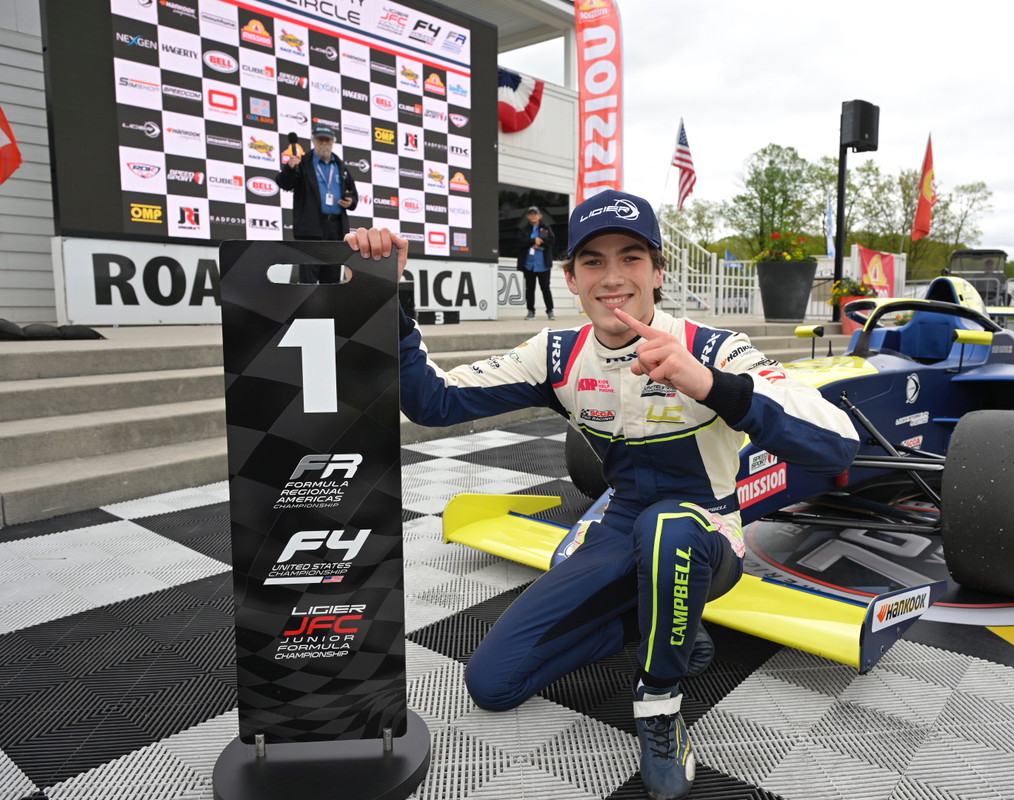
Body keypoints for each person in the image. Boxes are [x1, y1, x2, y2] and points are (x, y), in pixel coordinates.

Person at [345, 189, 859, 800]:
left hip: (707, 534)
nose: (613, 277)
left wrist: (709, 384)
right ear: (571, 279)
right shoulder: (556, 354)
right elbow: (433, 403)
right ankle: (660, 623)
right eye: (593, 261)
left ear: (659, 272)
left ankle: (660, 704)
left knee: (668, 529)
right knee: (493, 683)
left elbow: (837, 445)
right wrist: (388, 296)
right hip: (622, 525)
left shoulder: (714, 347)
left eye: (631, 258)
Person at [277, 123, 359, 282]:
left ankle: (330, 300)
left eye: (327, 140)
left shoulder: (340, 166)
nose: (324, 143)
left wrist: (351, 201)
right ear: (313, 140)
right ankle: (308, 300)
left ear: (333, 142)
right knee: (308, 280)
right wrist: (290, 168)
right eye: (320, 139)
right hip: (311, 229)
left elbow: (353, 194)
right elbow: (285, 184)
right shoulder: (302, 163)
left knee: (332, 279)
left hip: (336, 230)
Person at [515, 205, 556, 320]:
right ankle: (530, 311)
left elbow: (552, 240)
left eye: (535, 214)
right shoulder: (523, 229)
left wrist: (540, 243)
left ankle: (550, 311)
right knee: (530, 289)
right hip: (529, 265)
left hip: (543, 265)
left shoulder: (545, 227)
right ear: (527, 216)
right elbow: (519, 242)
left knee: (545, 288)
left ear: (540, 216)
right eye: (531, 214)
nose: (533, 216)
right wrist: (533, 241)